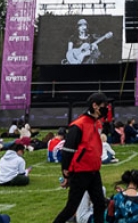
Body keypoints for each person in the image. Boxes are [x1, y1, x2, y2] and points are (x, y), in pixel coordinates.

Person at [53, 93, 111, 223]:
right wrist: (66, 171)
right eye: (104, 106)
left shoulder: (96, 123)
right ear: (95, 105)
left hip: (93, 170)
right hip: (80, 172)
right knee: (71, 207)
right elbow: (68, 150)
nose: (106, 108)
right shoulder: (79, 125)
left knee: (100, 204)